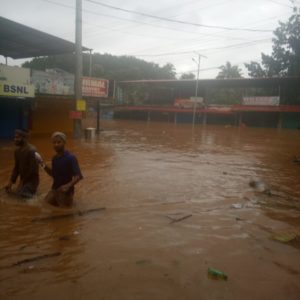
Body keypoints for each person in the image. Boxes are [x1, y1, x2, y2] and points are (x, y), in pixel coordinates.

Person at [37, 132, 83, 207]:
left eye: (59, 142)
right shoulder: (54, 158)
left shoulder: (71, 158)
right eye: (54, 142)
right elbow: (53, 174)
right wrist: (42, 164)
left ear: (64, 143)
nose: (56, 145)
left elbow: (78, 176)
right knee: (43, 205)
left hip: (67, 192)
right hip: (55, 189)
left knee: (65, 212)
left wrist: (68, 186)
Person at [5, 129, 39, 198]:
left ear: (25, 138)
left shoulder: (32, 150)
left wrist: (22, 182)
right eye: (15, 137)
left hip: (32, 182)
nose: (15, 139)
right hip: (23, 180)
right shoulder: (17, 151)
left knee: (21, 197)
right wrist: (10, 182)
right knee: (7, 193)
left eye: (17, 137)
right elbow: (16, 168)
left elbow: (33, 170)